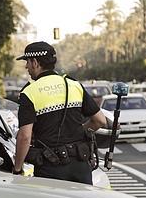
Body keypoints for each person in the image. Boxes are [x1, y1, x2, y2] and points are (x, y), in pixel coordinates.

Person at [12, 41, 107, 184]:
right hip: (80, 164)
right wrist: (78, 132)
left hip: (50, 168)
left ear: (35, 62)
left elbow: (25, 137)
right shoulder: (73, 84)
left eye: (27, 61)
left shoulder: (29, 92)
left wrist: (17, 169)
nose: (26, 66)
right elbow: (100, 120)